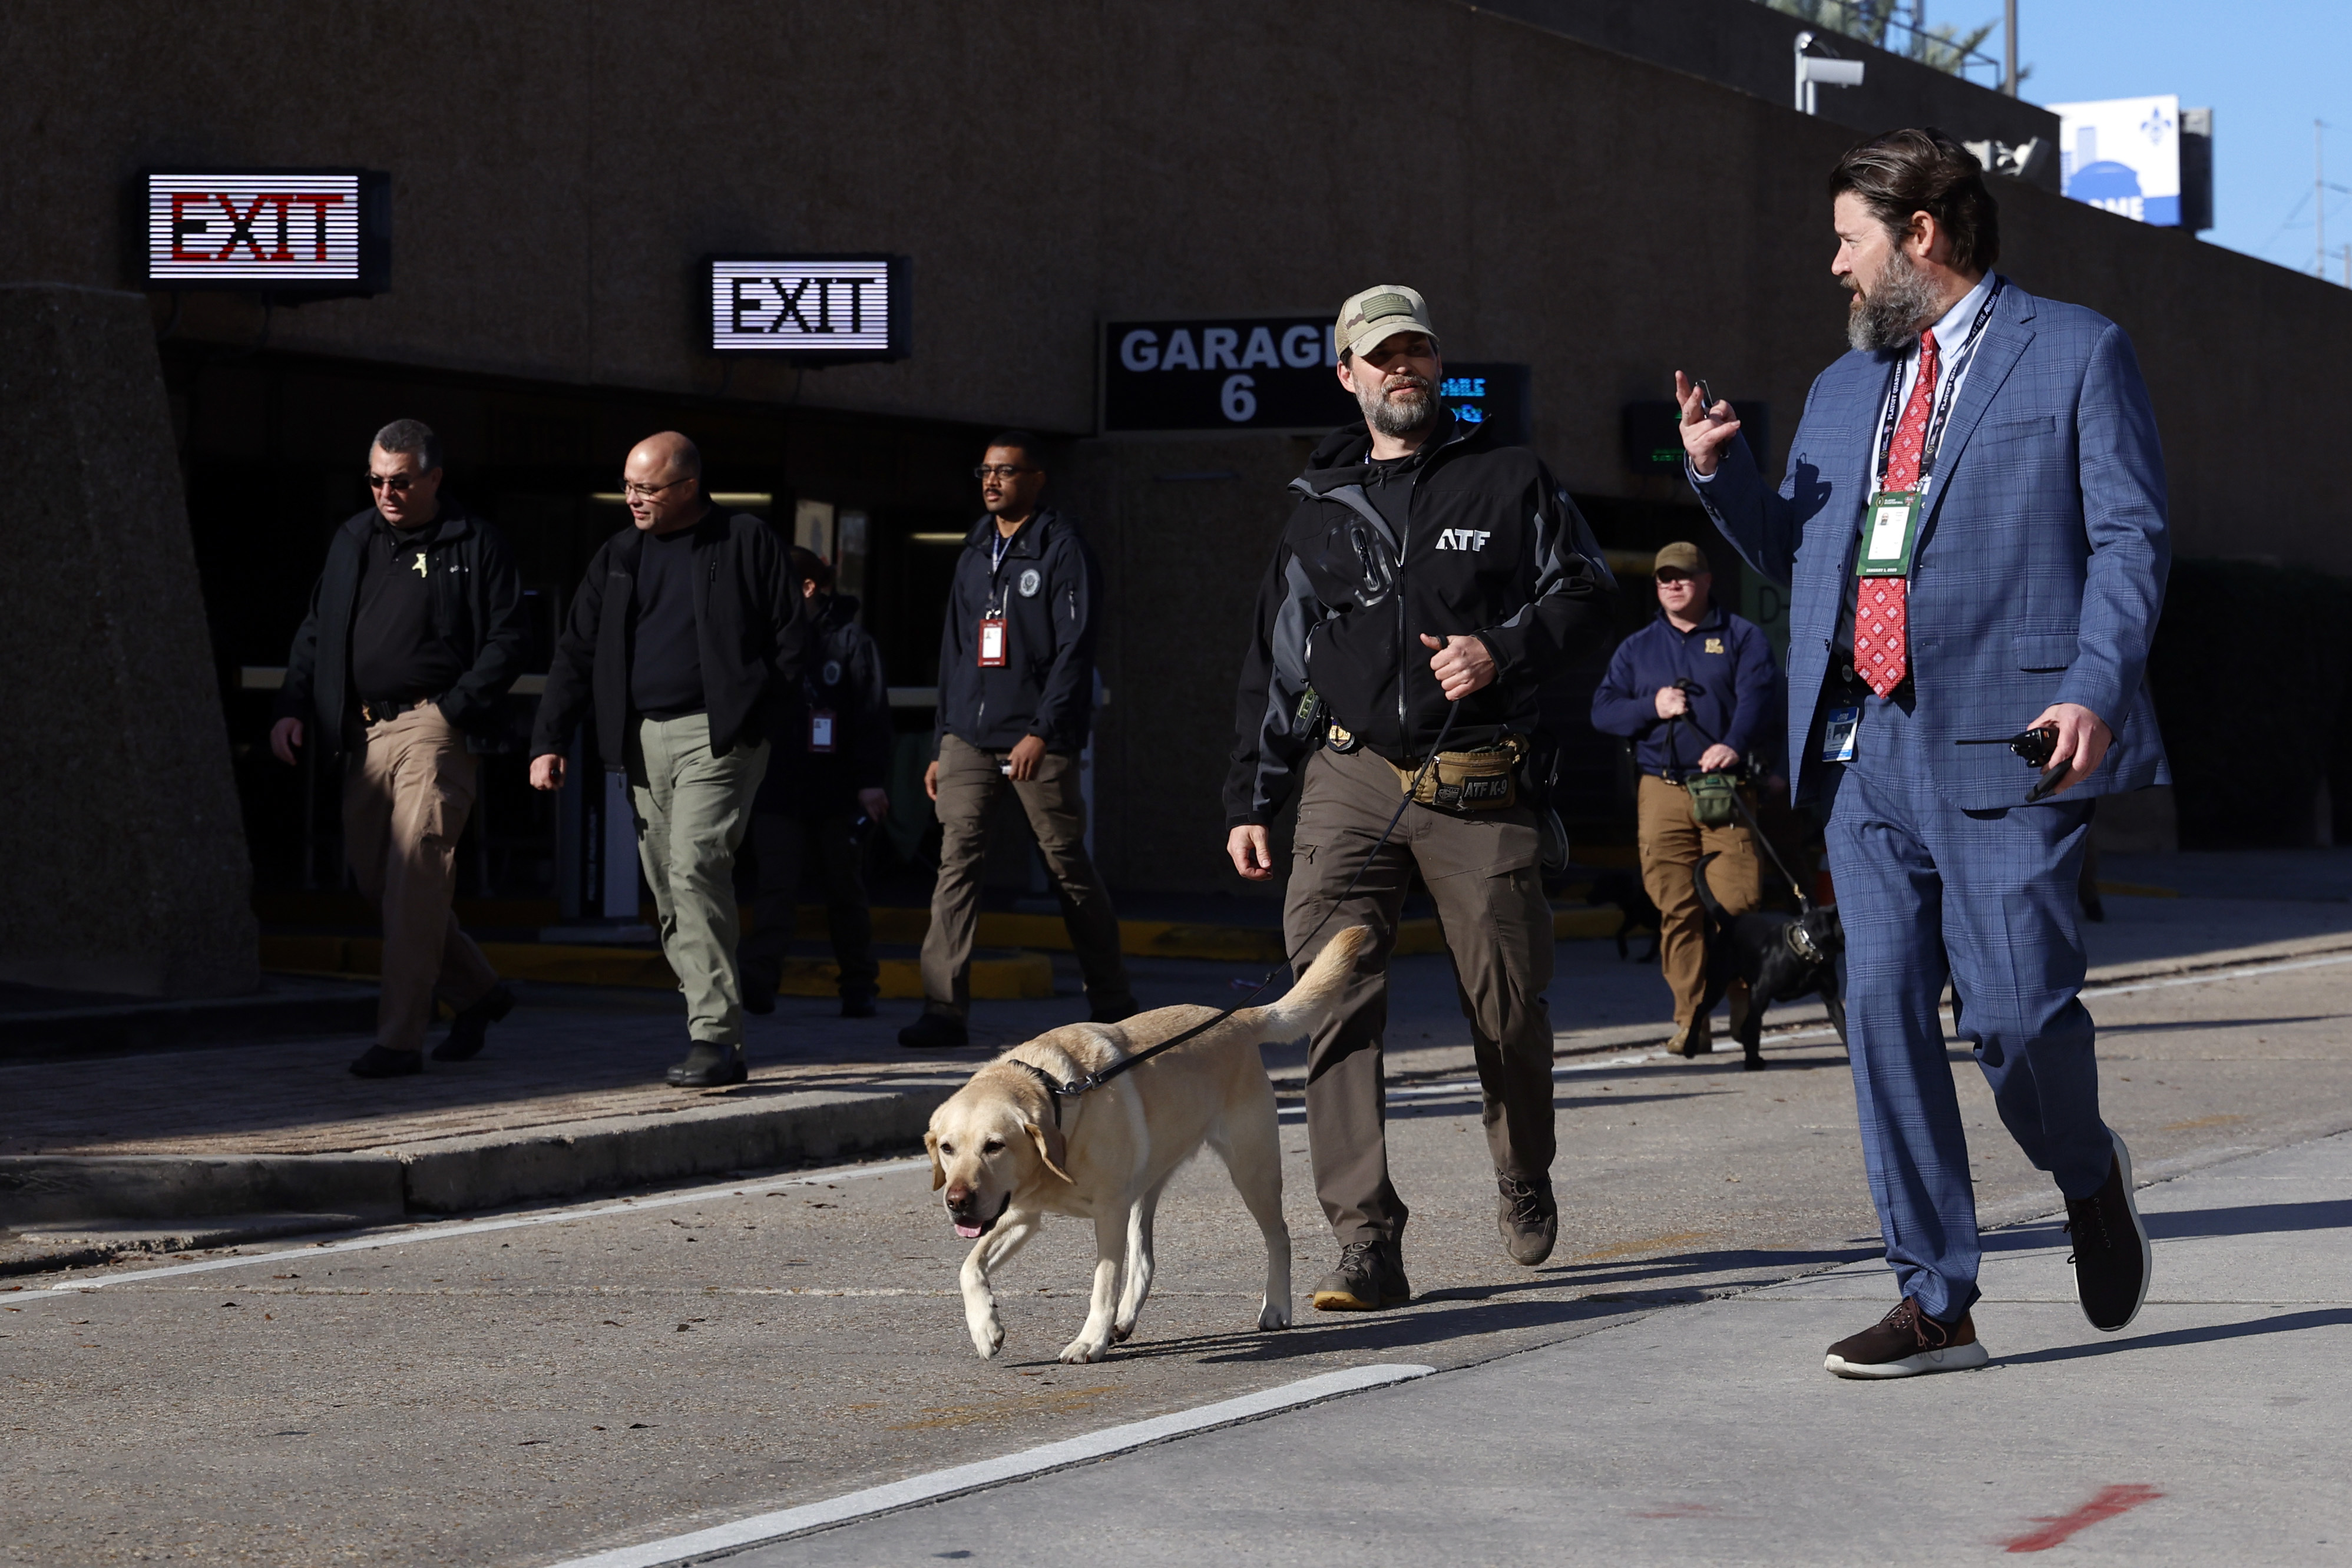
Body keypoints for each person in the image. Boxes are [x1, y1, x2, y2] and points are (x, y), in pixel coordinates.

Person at [1679, 128, 2168, 1377]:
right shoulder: (1846, 391)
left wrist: (2092, 688)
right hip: (1862, 747)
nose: (1833, 266)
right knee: (1879, 1010)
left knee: (2012, 1014)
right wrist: (1719, 474)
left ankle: (2081, 1167)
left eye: (1847, 239)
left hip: (2012, 741)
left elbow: (2127, 540)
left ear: (1921, 237)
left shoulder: (2074, 351)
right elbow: (1799, 552)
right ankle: (1933, 1298)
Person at [1226, 285, 1606, 1309]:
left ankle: (1522, 1167)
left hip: (1477, 775)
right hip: (1347, 779)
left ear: (1437, 367)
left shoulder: (1507, 476)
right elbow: (1273, 663)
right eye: (1380, 355)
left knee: (1507, 1000)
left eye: (1418, 352)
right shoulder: (1314, 509)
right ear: (1347, 375)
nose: (1403, 368)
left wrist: (1502, 649)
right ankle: (1364, 1239)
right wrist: (1248, 799)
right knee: (1332, 998)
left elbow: (1585, 588)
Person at [528, 432, 807, 1087]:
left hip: (720, 737)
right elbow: (575, 651)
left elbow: (791, 638)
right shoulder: (620, 554)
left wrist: (754, 722)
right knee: (670, 889)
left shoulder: (743, 541)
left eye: (646, 488)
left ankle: (713, 1035)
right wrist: (548, 739)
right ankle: (714, 1019)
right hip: (642, 739)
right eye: (627, 485)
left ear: (687, 487)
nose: (633, 499)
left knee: (696, 864)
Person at [272, 419, 529, 1077]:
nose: (387, 492)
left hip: (434, 727)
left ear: (435, 478)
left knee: (417, 881)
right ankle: (478, 991)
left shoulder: (476, 544)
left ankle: (400, 1039)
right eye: (377, 480)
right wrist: (293, 707)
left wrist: (454, 708)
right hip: (361, 731)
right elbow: (316, 630)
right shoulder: (354, 538)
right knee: (378, 882)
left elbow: (508, 639)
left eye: (401, 481)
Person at [898, 433, 1136, 1051]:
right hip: (968, 740)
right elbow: (955, 650)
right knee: (957, 864)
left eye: (1006, 471)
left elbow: (1075, 651)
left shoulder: (1063, 549)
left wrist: (1043, 731)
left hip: (1036, 738)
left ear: (1037, 479)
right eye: (985, 471)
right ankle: (943, 1008)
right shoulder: (976, 550)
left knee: (1067, 867)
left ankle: (1112, 998)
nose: (992, 481)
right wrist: (941, 738)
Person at [1589, 541, 1779, 1058]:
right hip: (1661, 790)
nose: (1673, 585)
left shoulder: (1742, 638)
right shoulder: (1637, 648)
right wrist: (1651, 704)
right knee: (1676, 910)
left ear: (1706, 580)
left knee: (1737, 908)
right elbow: (1602, 712)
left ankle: (1745, 1010)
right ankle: (1690, 1020)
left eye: (1684, 577)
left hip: (1724, 788)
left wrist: (1733, 745)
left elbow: (1761, 699)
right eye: (1663, 578)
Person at [737, 546, 891, 1018]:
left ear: (807, 588)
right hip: (777, 785)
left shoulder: (850, 643)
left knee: (844, 890)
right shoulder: (763, 639)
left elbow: (870, 717)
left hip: (838, 788)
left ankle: (859, 985)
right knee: (775, 889)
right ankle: (758, 983)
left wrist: (870, 783)